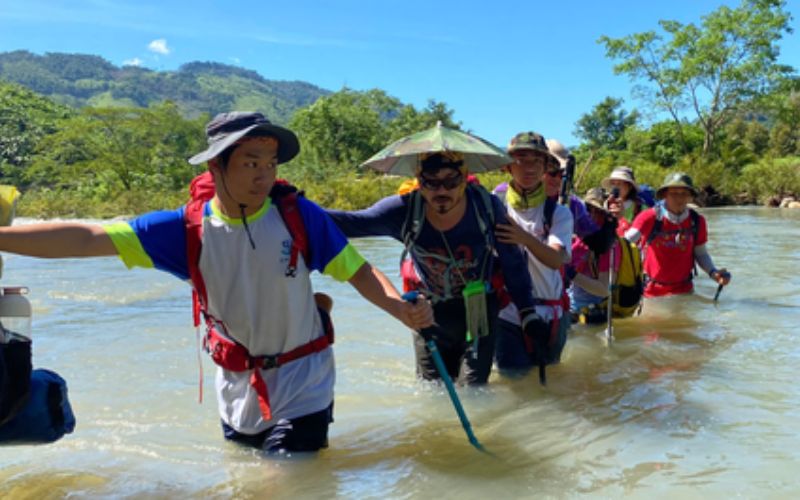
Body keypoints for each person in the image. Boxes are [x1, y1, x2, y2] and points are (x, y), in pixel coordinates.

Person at [0, 111, 433, 454]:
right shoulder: (185, 231)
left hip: (305, 382)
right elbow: (87, 238)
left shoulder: (298, 216)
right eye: (250, 163)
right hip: (237, 389)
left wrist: (399, 308)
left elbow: (358, 270)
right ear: (216, 165)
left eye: (270, 163)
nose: (264, 175)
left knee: (287, 480)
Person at [327, 151, 540, 386]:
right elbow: (351, 223)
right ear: (419, 181)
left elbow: (513, 262)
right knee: (433, 390)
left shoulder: (486, 209)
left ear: (464, 179)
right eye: (431, 182)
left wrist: (527, 312)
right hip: (428, 311)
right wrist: (297, 206)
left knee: (473, 389)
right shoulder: (403, 211)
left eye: (451, 181)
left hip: (478, 311)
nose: (441, 191)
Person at [492, 132, 573, 378]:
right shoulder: (493, 206)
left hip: (552, 316)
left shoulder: (558, 213)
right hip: (507, 313)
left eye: (537, 161)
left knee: (548, 386)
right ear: (507, 166)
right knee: (514, 383)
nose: (529, 168)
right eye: (521, 160)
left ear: (547, 167)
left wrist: (523, 237)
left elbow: (556, 259)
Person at [624, 172, 731, 297]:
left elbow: (700, 253)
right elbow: (627, 240)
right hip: (650, 291)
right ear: (664, 195)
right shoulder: (649, 217)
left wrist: (713, 273)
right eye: (673, 193)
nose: (679, 198)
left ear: (690, 196)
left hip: (684, 291)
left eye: (684, 194)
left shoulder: (697, 221)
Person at [568, 188, 621, 323]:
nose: (591, 215)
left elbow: (604, 289)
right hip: (570, 306)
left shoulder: (609, 246)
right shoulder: (578, 238)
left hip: (592, 314)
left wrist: (571, 274)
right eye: (587, 209)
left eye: (597, 211)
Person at [603, 166, 652, 236]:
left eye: (619, 184)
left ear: (630, 186)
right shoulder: (603, 205)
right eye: (613, 184)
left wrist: (620, 218)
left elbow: (642, 236)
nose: (615, 187)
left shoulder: (641, 209)